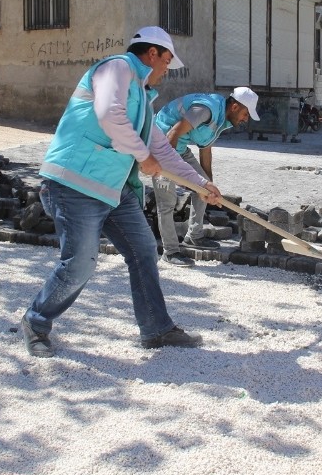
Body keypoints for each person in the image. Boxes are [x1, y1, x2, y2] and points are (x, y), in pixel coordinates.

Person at [19, 26, 223, 358]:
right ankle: (36, 322)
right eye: (166, 61)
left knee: (144, 249)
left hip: (113, 190)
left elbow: (165, 153)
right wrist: (144, 157)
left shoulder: (142, 97)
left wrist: (201, 185)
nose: (166, 71)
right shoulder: (116, 68)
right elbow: (109, 115)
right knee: (81, 263)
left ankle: (156, 329)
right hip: (74, 183)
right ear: (152, 53)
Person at [152, 87, 260, 266]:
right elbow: (173, 134)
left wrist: (208, 185)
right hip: (162, 147)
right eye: (246, 113)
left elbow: (205, 152)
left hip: (179, 148)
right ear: (234, 107)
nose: (246, 119)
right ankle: (170, 252)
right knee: (167, 202)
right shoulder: (205, 110)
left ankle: (194, 236)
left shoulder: (221, 119)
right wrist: (167, 168)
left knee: (203, 188)